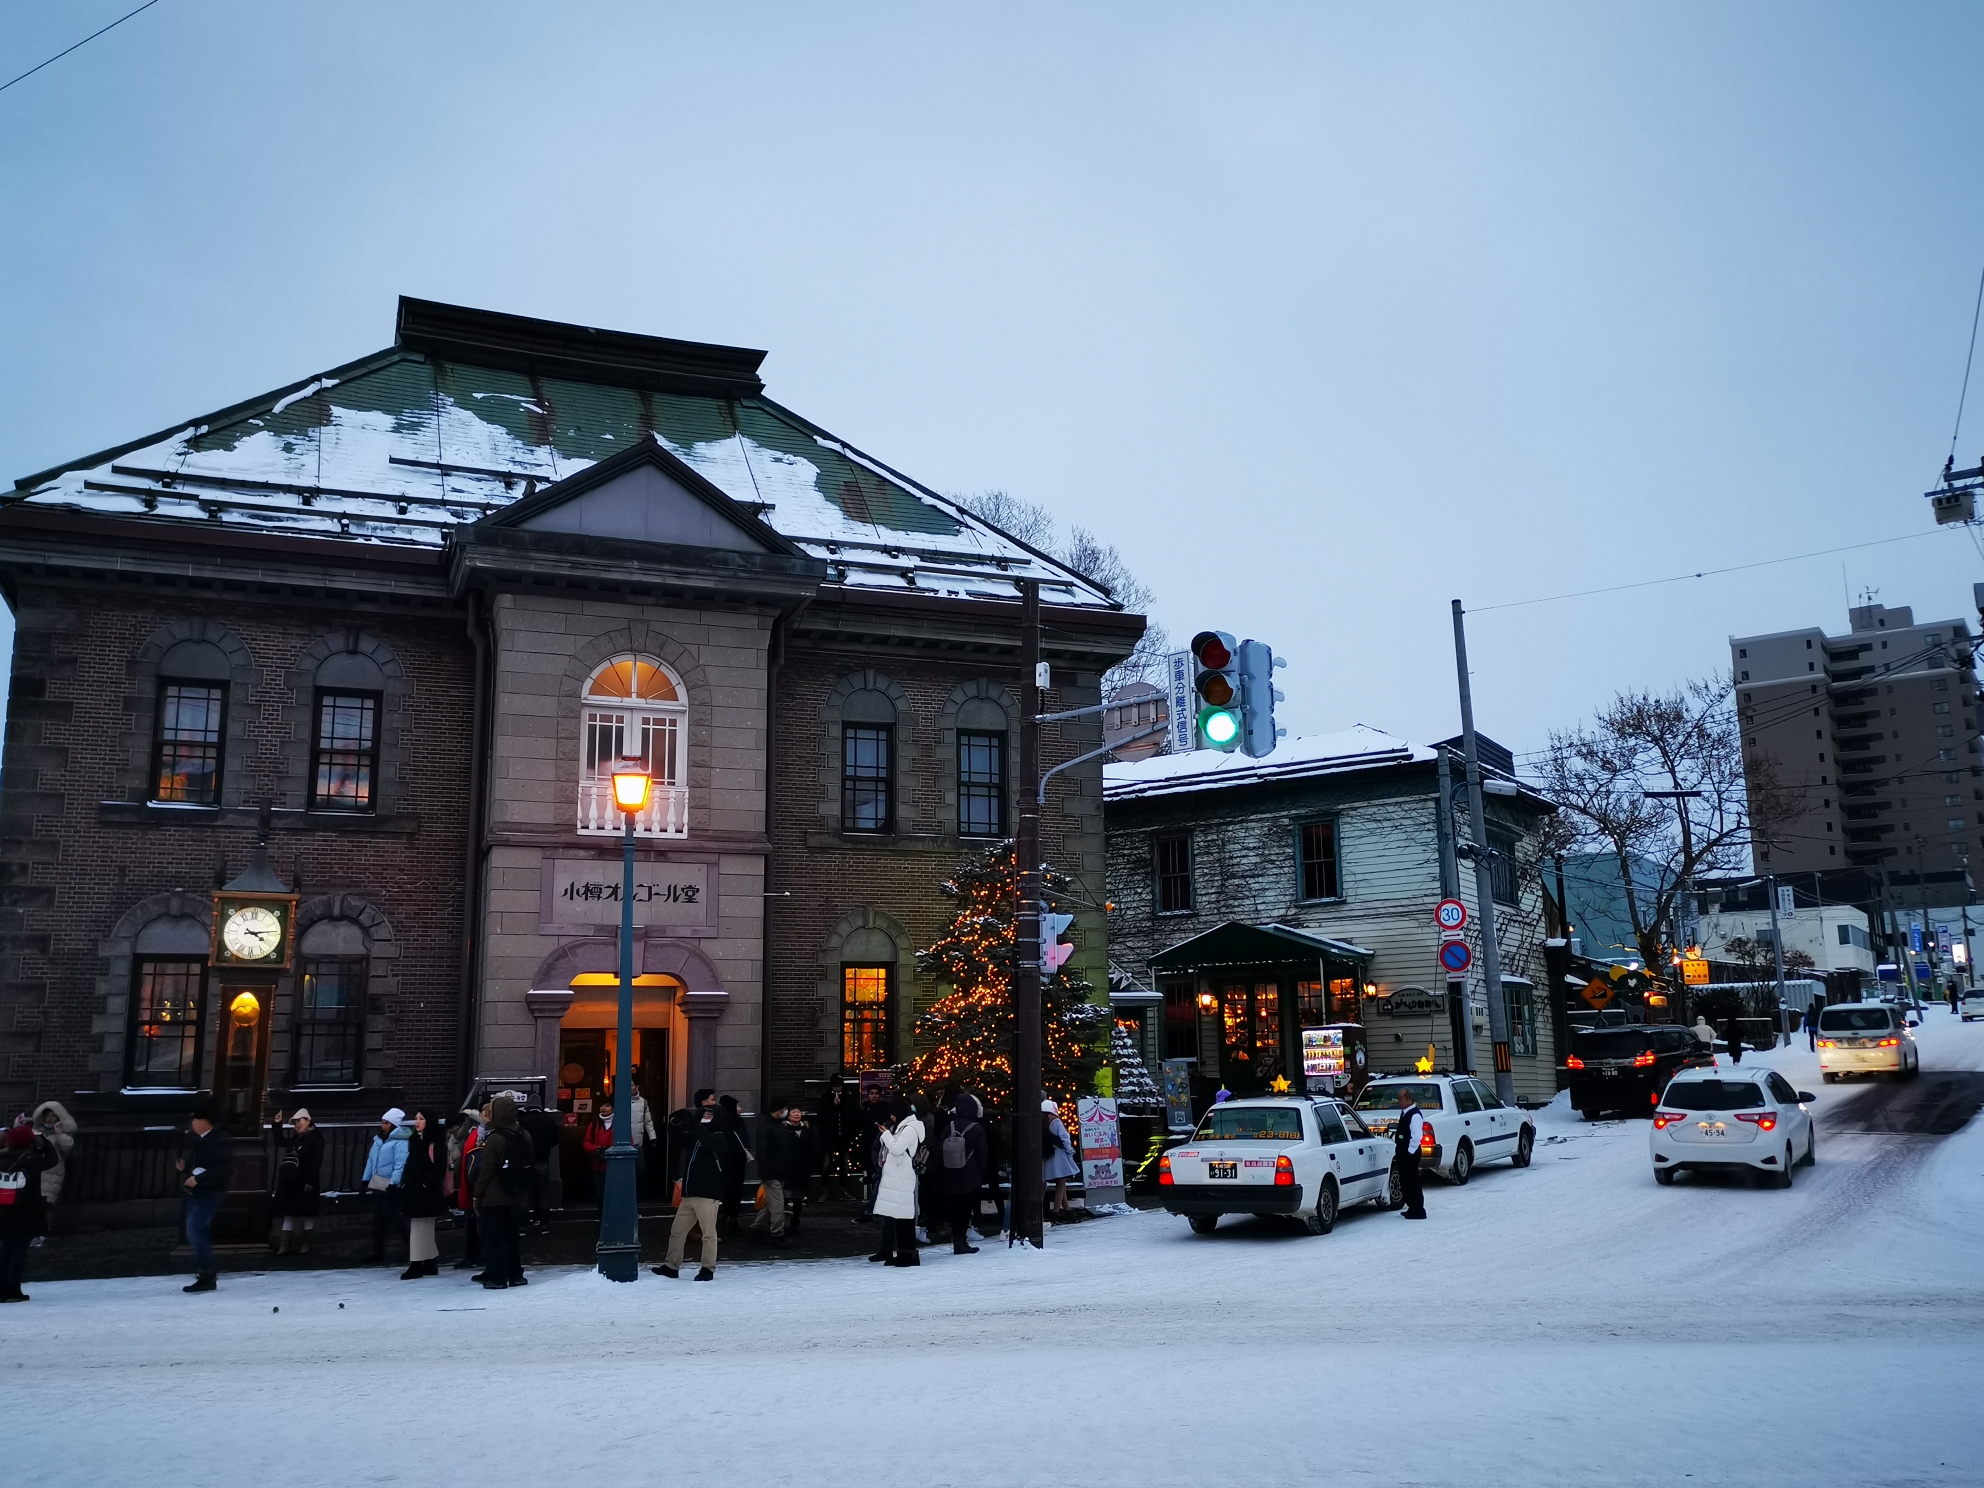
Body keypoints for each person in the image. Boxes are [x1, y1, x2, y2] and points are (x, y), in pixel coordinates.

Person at [656, 1088, 733, 1280]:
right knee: (677, 1232)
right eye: (705, 1113)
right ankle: (671, 1266)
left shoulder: (720, 1137)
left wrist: (696, 1123)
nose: (706, 1116)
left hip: (708, 1194)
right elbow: (680, 1138)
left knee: (709, 1234)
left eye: (709, 1114)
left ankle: (708, 1268)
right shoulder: (697, 1137)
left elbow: (708, 1142)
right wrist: (677, 1122)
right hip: (690, 1194)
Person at [472, 1094, 528, 1289]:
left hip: (495, 1196)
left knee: (493, 1238)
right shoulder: (523, 1134)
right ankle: (516, 1274)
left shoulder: (495, 1138)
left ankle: (496, 1277)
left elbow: (486, 1171)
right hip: (516, 1193)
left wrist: (478, 1193)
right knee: (512, 1237)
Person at [1, 1117, 59, 1301]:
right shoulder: (30, 1161)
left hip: (3, 1211)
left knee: (5, 1250)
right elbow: (52, 1160)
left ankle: (1, 1289)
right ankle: (13, 1289)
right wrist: (42, 1141)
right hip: (24, 1212)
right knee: (19, 1251)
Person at [177, 1102, 232, 1291]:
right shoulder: (198, 1139)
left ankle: (207, 1273)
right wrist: (185, 1170)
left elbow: (223, 1168)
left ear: (204, 1122)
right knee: (194, 1230)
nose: (193, 1123)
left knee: (195, 1229)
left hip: (210, 1191)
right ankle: (205, 1272)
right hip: (199, 1191)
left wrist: (199, 1178)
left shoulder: (220, 1139)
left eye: (196, 1119)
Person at [871, 1097, 924, 1266]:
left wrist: (885, 1134)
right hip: (897, 1175)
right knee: (899, 1215)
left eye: (893, 1113)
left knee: (905, 1216)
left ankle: (908, 1253)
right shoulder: (903, 1126)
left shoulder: (910, 1129)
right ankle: (903, 1251)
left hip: (902, 1175)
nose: (892, 1117)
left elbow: (897, 1148)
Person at [939, 1092, 989, 1255]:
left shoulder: (949, 1127)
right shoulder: (976, 1129)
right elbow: (983, 1155)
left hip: (950, 1176)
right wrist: (981, 1175)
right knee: (965, 1210)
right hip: (969, 1177)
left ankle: (956, 1241)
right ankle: (962, 1241)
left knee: (954, 1210)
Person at [399, 1110, 446, 1279]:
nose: (417, 1122)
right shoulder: (416, 1140)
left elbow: (439, 1166)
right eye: (416, 1118)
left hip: (425, 1191)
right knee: (423, 1228)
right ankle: (430, 1261)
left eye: (421, 1119)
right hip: (418, 1189)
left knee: (420, 1228)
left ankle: (417, 1263)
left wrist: (426, 1183)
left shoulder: (434, 1142)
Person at [360, 1106, 411, 1263]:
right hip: (379, 1184)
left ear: (394, 1124)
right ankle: (377, 1251)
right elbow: (371, 1161)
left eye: (386, 1123)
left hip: (391, 1186)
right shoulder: (379, 1140)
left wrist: (394, 1183)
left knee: (394, 1218)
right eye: (382, 1122)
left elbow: (400, 1163)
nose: (383, 1126)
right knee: (378, 1219)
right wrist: (365, 1180)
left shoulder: (400, 1141)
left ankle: (411, 1246)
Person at [270, 1109, 323, 1255]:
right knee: (289, 1212)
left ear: (308, 1121)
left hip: (305, 1180)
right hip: (293, 1181)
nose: (297, 1125)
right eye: (295, 1123)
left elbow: (316, 1162)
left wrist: (310, 1181)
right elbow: (280, 1141)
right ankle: (285, 1244)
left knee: (307, 1212)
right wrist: (276, 1124)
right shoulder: (296, 1139)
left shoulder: (316, 1140)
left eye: (299, 1121)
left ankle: (305, 1244)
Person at [28, 1100, 75, 1248]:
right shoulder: (38, 1131)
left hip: (53, 1172)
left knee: (47, 1203)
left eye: (53, 1116)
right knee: (34, 1203)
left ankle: (43, 1231)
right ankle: (33, 1231)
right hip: (37, 1170)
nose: (49, 1118)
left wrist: (59, 1133)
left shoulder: (62, 1134)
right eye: (47, 1115)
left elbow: (67, 1147)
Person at [449, 1103, 485, 1270]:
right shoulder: (470, 1135)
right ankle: (473, 1254)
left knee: (478, 1224)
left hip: (474, 1185)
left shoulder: (480, 1134)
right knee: (471, 1224)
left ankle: (478, 1255)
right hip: (468, 1184)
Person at [716, 1094, 751, 1235]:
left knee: (731, 1192)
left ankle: (727, 1220)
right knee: (733, 1192)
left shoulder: (724, 1122)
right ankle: (730, 1220)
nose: (740, 1109)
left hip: (731, 1163)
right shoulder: (733, 1122)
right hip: (733, 1163)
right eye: (737, 1106)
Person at [1041, 1098, 1079, 1220]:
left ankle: (1068, 1210)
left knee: (1061, 1184)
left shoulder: (1043, 1123)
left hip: (1050, 1157)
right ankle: (1056, 1212)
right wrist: (1070, 1150)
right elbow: (1065, 1138)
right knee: (1061, 1185)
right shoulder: (1056, 1122)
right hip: (1060, 1157)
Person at [1393, 1087, 1427, 1220]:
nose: (1399, 1101)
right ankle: (1411, 1207)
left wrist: (1409, 1152)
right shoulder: (1404, 1113)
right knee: (1405, 1181)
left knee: (1412, 1181)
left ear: (1409, 1099)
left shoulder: (1415, 1115)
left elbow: (1416, 1136)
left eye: (1401, 1098)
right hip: (1403, 1153)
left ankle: (1418, 1209)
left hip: (1410, 1154)